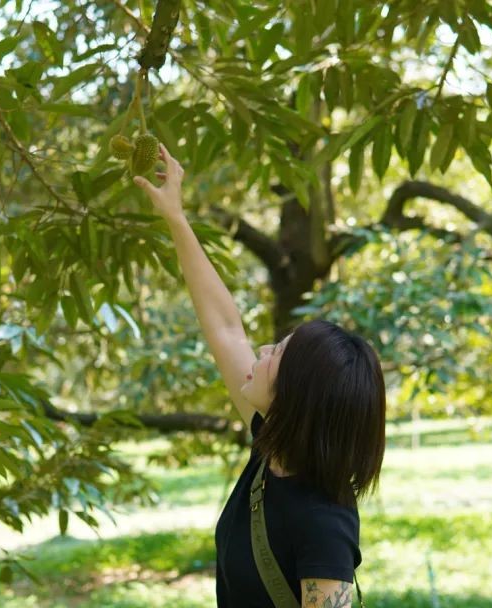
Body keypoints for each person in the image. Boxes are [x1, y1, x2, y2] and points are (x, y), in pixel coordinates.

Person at [134, 145, 387, 607]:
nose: (263, 349)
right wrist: (175, 216)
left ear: (299, 394)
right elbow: (227, 328)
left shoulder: (323, 521)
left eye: (279, 354)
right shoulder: (270, 449)